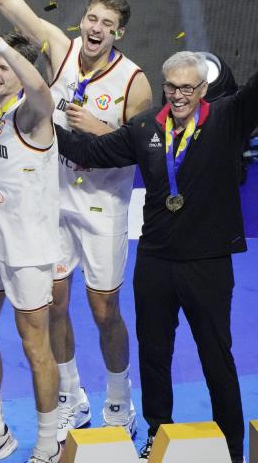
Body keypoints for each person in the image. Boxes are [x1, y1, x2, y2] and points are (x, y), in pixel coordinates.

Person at [0, 0, 153, 441]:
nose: (97, 28)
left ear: (119, 34)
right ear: (83, 21)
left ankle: (119, 398)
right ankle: (72, 394)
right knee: (54, 301)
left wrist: (101, 129)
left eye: (108, 25)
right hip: (52, 198)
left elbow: (143, 150)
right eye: (92, 18)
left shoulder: (134, 82)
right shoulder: (61, 47)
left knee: (104, 309)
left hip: (103, 203)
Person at [55, 50, 256, 463]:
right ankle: (157, 434)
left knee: (216, 356)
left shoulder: (227, 118)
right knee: (153, 353)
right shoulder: (146, 126)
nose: (179, 95)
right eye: (172, 86)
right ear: (163, 86)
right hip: (155, 261)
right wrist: (41, 122)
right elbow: (92, 151)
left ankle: (232, 447)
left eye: (188, 87)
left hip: (208, 262)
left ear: (203, 90)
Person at [0, 1, 62, 463]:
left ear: (22, 73)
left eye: (4, 65)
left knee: (33, 342)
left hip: (27, 246)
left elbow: (41, 85)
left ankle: (47, 437)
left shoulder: (35, 113)